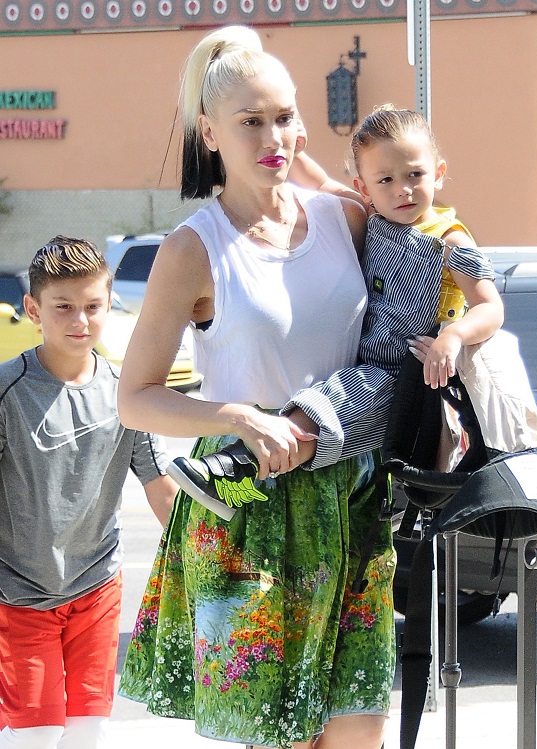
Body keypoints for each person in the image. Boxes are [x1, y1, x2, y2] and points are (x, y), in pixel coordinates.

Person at [117, 25, 396, 749]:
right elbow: (135, 396)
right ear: (209, 133)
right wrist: (239, 415)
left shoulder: (346, 217)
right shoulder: (193, 248)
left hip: (351, 494)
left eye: (285, 117)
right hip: (249, 502)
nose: (274, 136)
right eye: (250, 121)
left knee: (360, 732)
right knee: (283, 740)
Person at [171, 105, 504, 508]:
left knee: (325, 414)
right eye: (386, 179)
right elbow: (319, 182)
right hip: (360, 361)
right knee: (323, 403)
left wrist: (453, 337)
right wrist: (292, 148)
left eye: (415, 174)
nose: (402, 189)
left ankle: (233, 470)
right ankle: (239, 471)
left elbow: (490, 307)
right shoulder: (371, 217)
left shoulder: (449, 238)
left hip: (402, 373)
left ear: (439, 172)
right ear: (364, 188)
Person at [0, 236, 178, 749]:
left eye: (93, 307)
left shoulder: (127, 392)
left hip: (97, 587)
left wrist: (208, 561)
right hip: (18, 594)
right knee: (36, 735)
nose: (80, 320)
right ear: (34, 309)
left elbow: (160, 487)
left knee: (87, 732)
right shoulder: (8, 390)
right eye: (64, 307)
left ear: (109, 305)